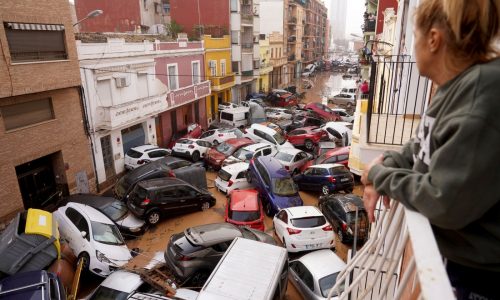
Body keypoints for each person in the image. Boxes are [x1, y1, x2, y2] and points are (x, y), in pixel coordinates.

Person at [360, 0, 500, 299]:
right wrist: (384, 168)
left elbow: (444, 201)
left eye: (415, 35)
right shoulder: (456, 86)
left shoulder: (480, 95)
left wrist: (381, 175)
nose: (413, 46)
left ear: (434, 39)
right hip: (461, 262)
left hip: (482, 278)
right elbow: (420, 144)